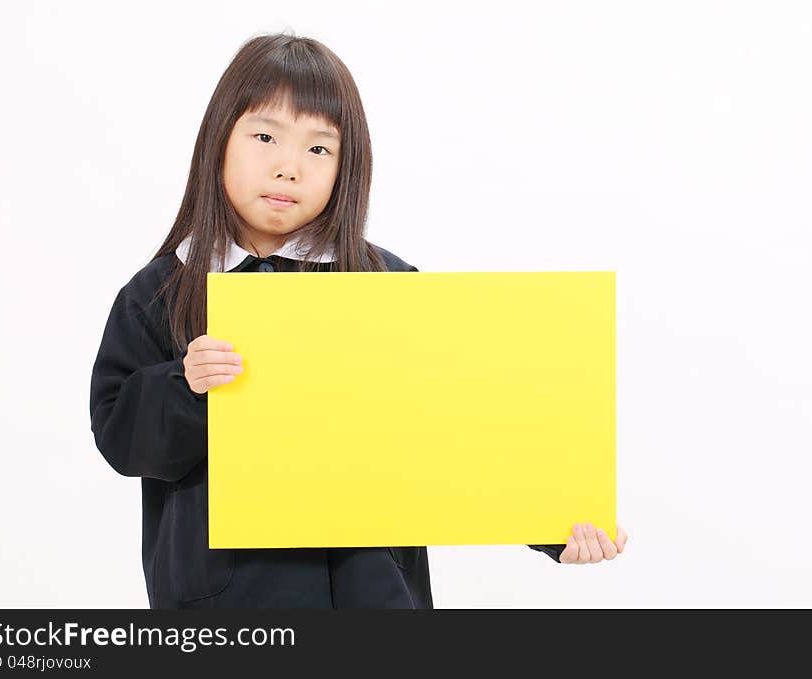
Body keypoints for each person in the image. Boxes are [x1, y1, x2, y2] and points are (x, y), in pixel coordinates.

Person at [88, 32, 627, 610]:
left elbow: (458, 429)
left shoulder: (387, 286)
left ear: (347, 166)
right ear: (219, 140)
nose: (289, 167)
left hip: (374, 595)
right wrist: (186, 386)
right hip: (227, 607)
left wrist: (556, 525)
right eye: (265, 136)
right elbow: (121, 440)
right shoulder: (160, 292)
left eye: (319, 149)